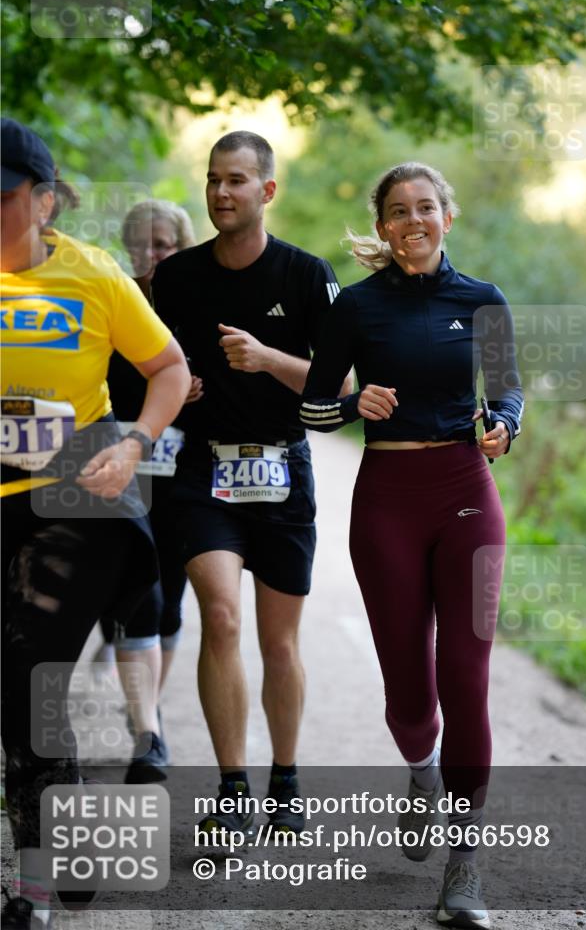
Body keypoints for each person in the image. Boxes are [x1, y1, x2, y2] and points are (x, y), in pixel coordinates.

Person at [300, 162, 524, 929]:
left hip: (466, 493)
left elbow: (508, 387)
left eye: (425, 207)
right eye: (397, 211)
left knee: (465, 674)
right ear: (383, 225)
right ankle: (420, 770)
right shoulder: (356, 307)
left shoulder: (481, 299)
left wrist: (505, 425)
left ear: (446, 218)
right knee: (408, 691)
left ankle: (465, 861)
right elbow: (313, 409)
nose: (412, 220)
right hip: (386, 501)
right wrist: (352, 402)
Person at [0, 119, 191, 929]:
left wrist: (137, 440)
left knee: (28, 680)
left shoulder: (95, 275)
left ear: (45, 201)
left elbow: (169, 368)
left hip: (70, 498)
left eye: (3, 197)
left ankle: (33, 883)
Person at [151, 130, 351, 840]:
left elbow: (344, 384)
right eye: (212, 179)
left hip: (282, 467)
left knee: (278, 643)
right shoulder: (177, 277)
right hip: (204, 468)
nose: (221, 193)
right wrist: (177, 385)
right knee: (220, 616)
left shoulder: (305, 275)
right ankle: (233, 786)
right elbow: (148, 367)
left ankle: (285, 778)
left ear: (266, 191)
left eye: (236, 180)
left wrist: (268, 358)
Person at [94, 200, 200, 779]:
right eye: (142, 244)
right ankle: (147, 731)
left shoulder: (198, 305)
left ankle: (148, 709)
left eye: (163, 244)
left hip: (183, 473)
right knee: (142, 590)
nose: (151, 254)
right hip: (122, 466)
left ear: (181, 246)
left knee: (172, 597)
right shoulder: (112, 300)